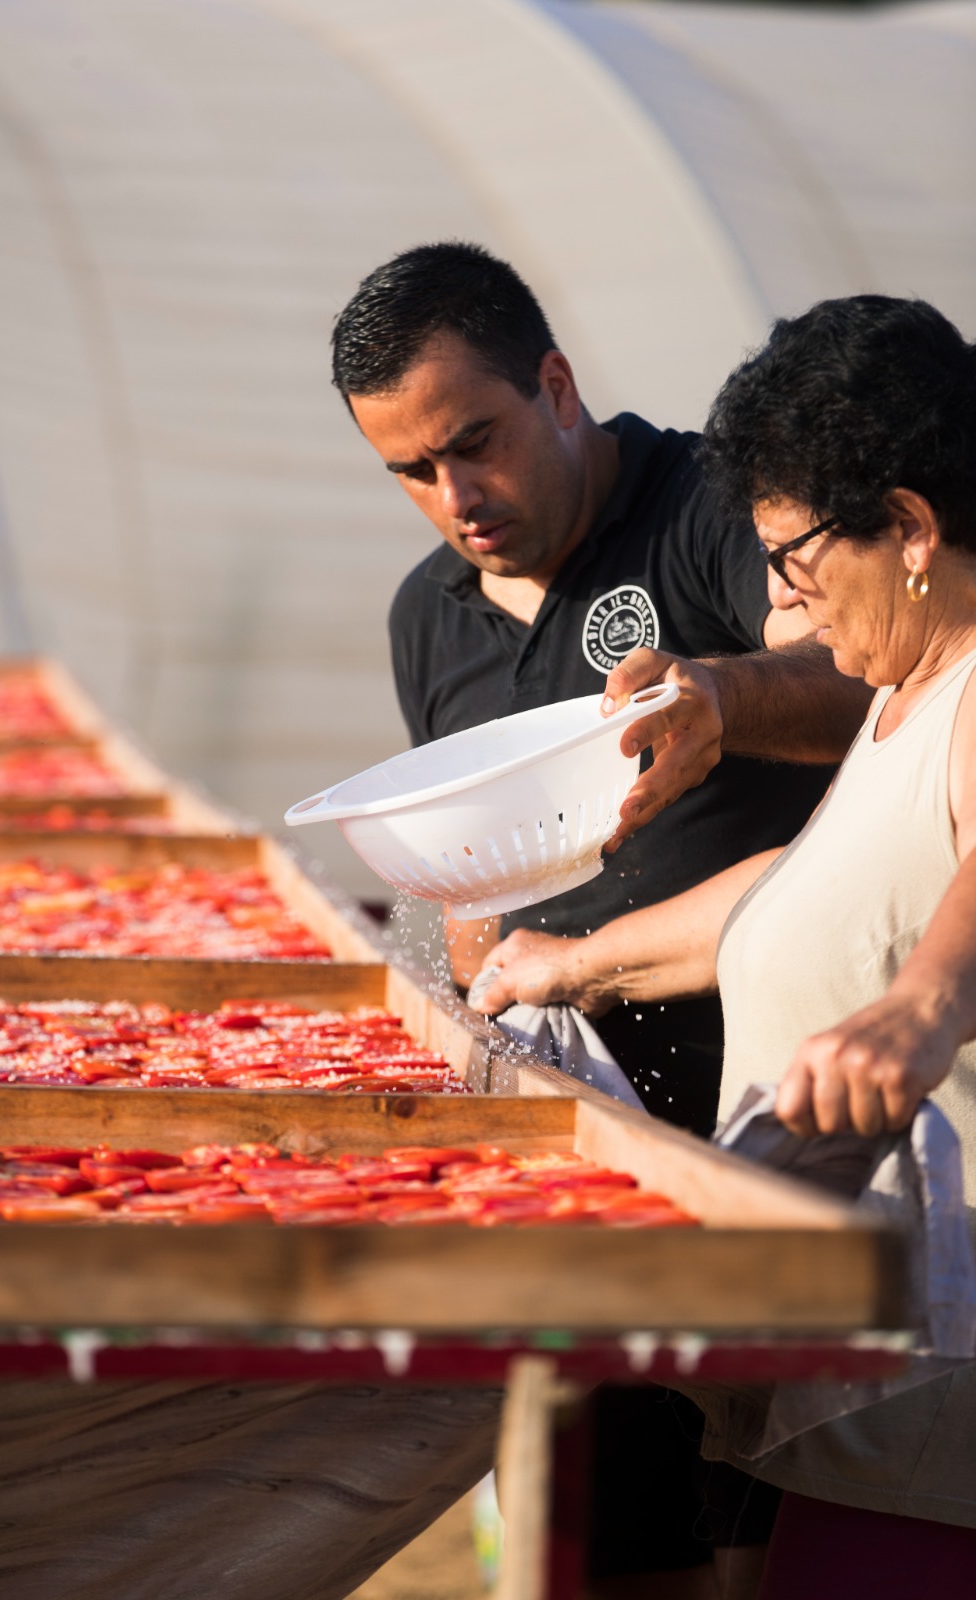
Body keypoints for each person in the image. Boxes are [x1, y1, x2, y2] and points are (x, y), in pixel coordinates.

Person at [331, 242, 870, 1598]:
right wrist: (457, 973)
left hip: (782, 1117)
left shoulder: (703, 505)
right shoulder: (427, 618)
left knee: (778, 1526)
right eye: (410, 469)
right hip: (583, 1157)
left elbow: (870, 682)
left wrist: (720, 699)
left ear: (556, 387)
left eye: (475, 442)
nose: (454, 497)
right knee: (604, 1543)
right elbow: (459, 876)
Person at [470, 293, 976, 1599]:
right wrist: (563, 965)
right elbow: (804, 888)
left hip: (945, 1397)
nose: (782, 599)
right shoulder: (896, 691)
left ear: (909, 528)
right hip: (859, 1379)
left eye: (796, 560)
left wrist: (924, 1000)